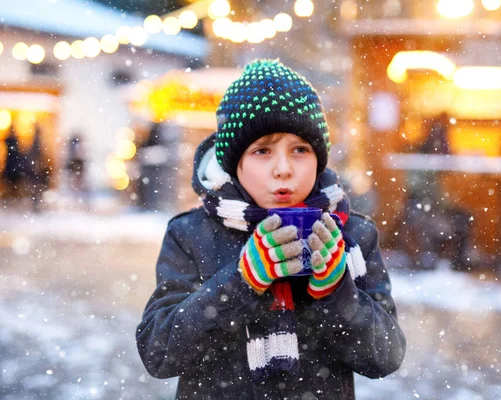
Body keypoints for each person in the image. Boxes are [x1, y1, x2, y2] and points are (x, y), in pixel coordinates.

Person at [136, 59, 406, 399]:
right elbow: (158, 354)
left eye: (300, 150)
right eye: (262, 150)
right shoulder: (191, 234)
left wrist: (337, 292)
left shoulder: (352, 234)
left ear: (319, 158)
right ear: (235, 162)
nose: (283, 169)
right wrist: (242, 281)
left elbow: (385, 356)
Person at [2, 124, 25, 200]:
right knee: (13, 182)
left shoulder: (10, 140)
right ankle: (13, 196)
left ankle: (11, 195)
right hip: (13, 164)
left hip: (12, 164)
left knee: (11, 182)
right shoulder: (14, 140)